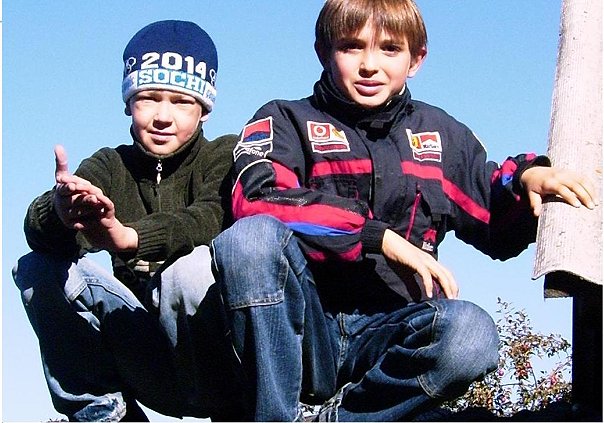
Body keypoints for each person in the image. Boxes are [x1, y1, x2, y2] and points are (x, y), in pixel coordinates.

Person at [210, 0, 598, 421]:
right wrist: (375, 236)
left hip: (394, 331)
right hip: (306, 328)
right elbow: (256, 199)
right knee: (249, 241)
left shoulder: (440, 134)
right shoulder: (284, 120)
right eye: (352, 47)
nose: (369, 65)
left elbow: (491, 216)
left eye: (390, 49)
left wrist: (524, 179)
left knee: (470, 335)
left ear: (416, 59)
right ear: (323, 52)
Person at [13, 20, 243, 421]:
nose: (163, 116)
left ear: (205, 109)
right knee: (36, 269)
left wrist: (130, 238)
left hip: (219, 360)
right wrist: (61, 212)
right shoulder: (109, 164)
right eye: (149, 98)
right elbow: (44, 229)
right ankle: (103, 412)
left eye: (181, 102)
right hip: (148, 359)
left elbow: (208, 217)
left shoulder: (224, 155)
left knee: (189, 272)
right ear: (128, 103)